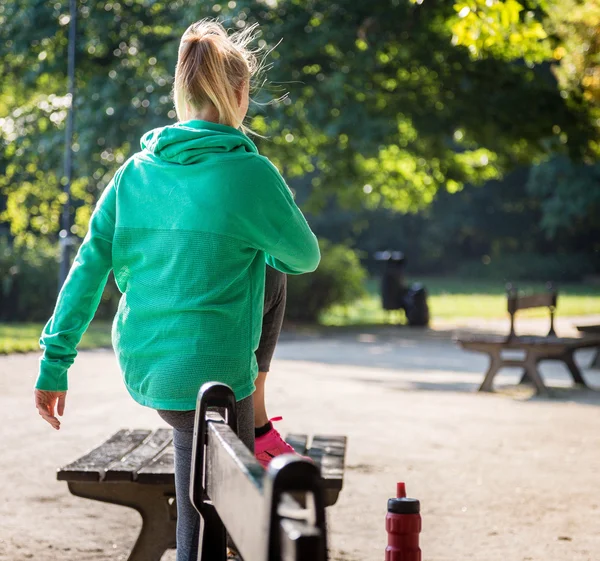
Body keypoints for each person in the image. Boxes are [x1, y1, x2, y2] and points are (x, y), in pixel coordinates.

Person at [34, 19, 320, 561]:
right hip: (219, 377)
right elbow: (305, 257)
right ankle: (254, 424)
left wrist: (54, 364)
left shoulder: (132, 172)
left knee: (208, 488)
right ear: (240, 94)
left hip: (152, 366)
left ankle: (250, 435)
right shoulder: (250, 172)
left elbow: (88, 267)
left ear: (181, 94)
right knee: (210, 509)